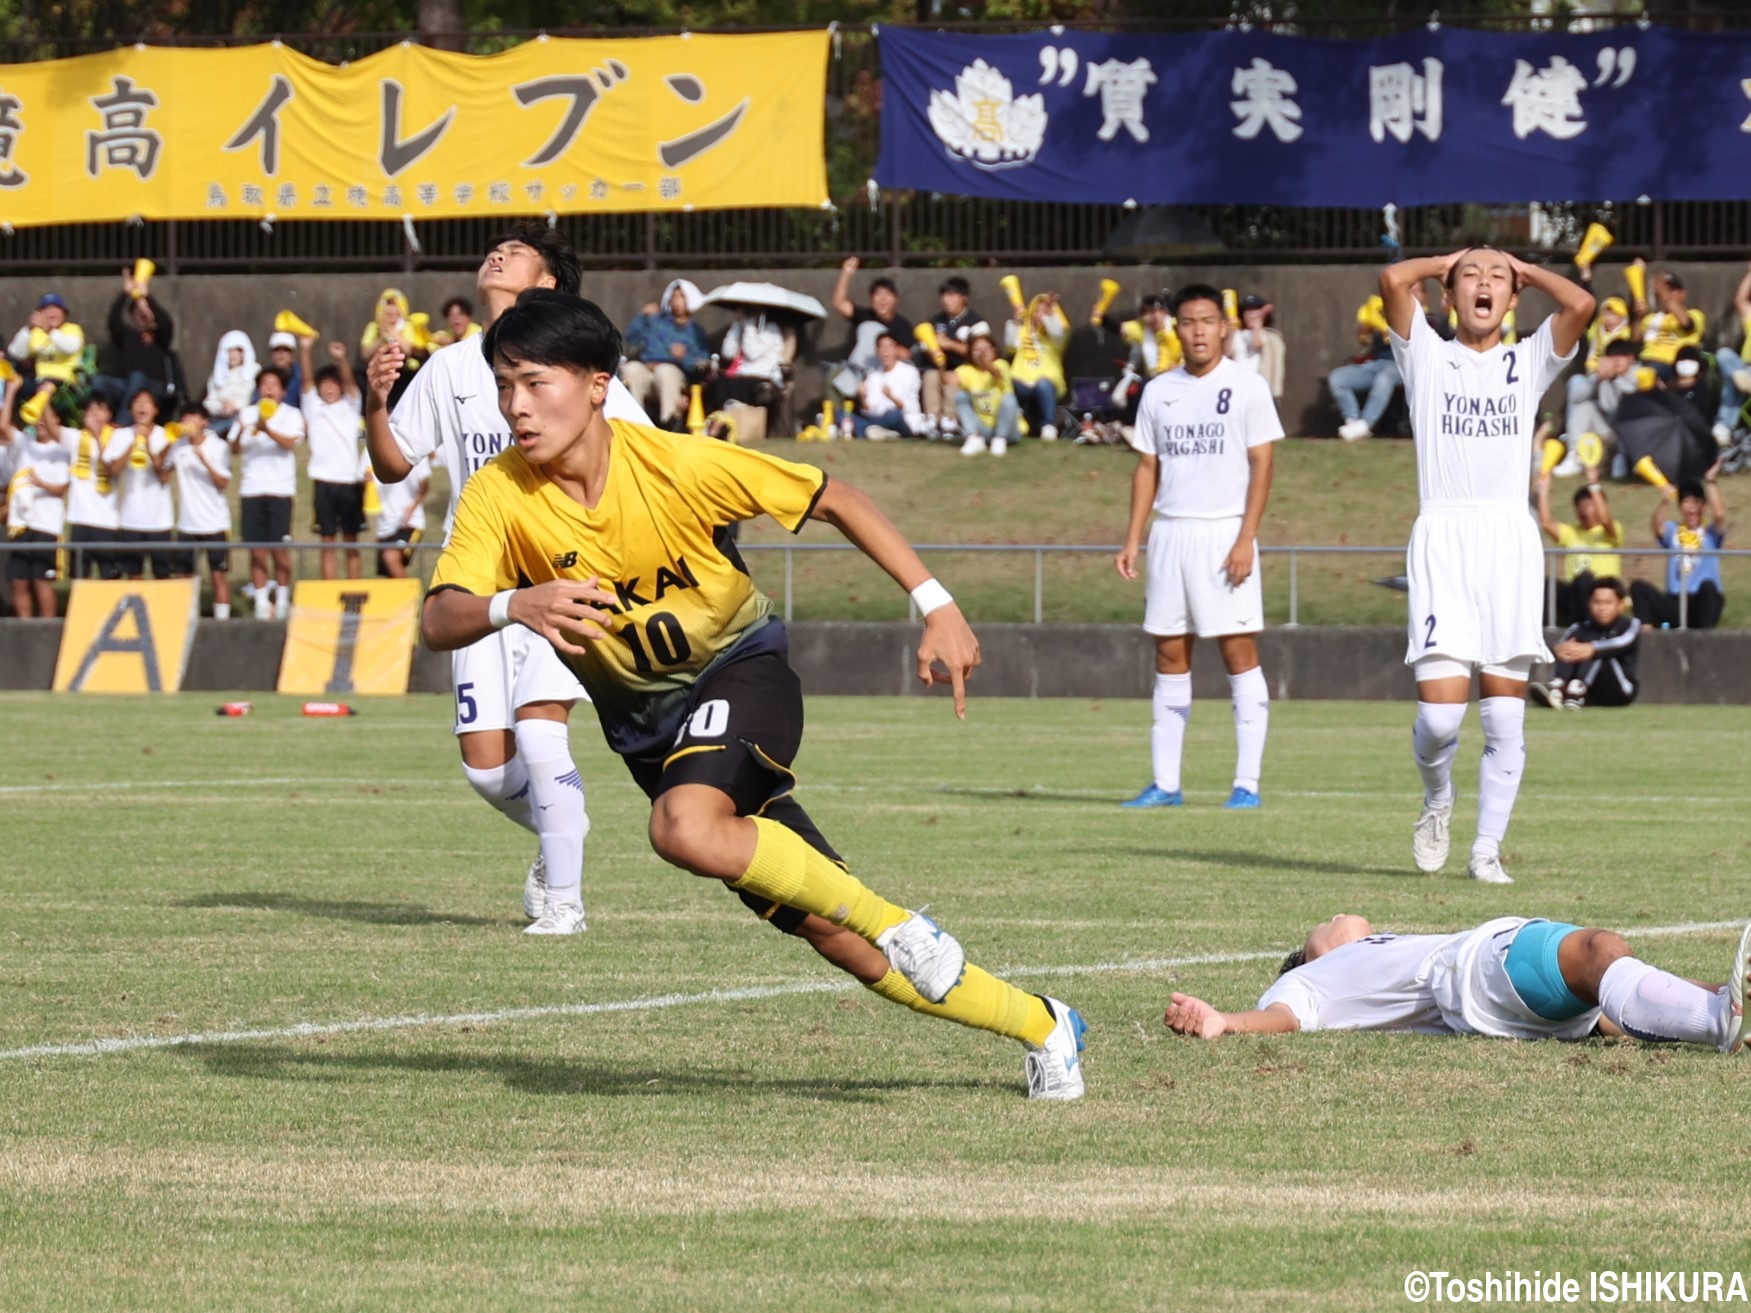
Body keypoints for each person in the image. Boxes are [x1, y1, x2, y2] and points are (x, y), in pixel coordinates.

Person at [422, 289, 1088, 1100]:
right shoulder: (498, 492)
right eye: (503, 386)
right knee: (836, 936)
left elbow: (834, 498)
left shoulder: (677, 463)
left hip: (742, 671)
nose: (516, 406)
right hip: (652, 736)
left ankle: (901, 922)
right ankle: (1043, 1022)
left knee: (682, 827)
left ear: (598, 383)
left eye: (535, 383)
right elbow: (438, 617)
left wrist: (937, 603)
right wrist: (511, 603)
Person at [365, 225, 644, 937]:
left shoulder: (582, 365)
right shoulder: (453, 365)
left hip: (566, 575)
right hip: (477, 585)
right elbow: (394, 464)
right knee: (488, 770)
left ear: (547, 283)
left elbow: (642, 451)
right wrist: (374, 401)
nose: (495, 254)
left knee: (542, 733)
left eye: (517, 251)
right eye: (494, 247)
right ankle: (564, 826)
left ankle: (565, 904)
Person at [1381, 246, 1594, 885]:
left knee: (1504, 713)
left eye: (1496, 277)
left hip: (1508, 541)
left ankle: (1485, 851)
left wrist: (1523, 269)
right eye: (1470, 277)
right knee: (1442, 716)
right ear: (1449, 296)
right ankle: (1437, 798)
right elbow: (1394, 277)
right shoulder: (1424, 353)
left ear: (1513, 297)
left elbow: (1581, 303)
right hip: (1444, 535)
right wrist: (1451, 258)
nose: (1483, 283)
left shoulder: (1526, 360)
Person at [1115, 284, 1282, 811]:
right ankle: (1166, 784)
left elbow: (1263, 464)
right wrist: (1133, 537)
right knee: (1169, 651)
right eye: (1188, 321)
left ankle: (1247, 784)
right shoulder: (1160, 389)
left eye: (1207, 320)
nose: (1198, 331)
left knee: (1238, 651)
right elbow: (1147, 467)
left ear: (1224, 327)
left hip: (1223, 532)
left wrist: (1245, 538)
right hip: (1171, 534)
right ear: (1175, 328)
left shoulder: (1248, 386)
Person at [1163, 913, 1748, 1057]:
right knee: (1602, 949)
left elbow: (1618, 1022)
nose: (1340, 917)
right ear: (1309, 953)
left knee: (1608, 982)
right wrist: (1225, 1021)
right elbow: (1285, 1018)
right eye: (1324, 924)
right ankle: (1721, 1020)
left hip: (1491, 991)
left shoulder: (1371, 947)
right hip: (1477, 974)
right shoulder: (1307, 982)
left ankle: (1729, 1015)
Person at [234, 365, 304, 620]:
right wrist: (243, 428)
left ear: (283, 391)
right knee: (257, 550)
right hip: (251, 490)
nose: (269, 389)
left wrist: (267, 429)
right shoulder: (247, 413)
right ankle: (262, 603)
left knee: (279, 549)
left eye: (274, 385)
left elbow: (291, 442)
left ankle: (283, 601)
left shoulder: (291, 414)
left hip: (280, 491)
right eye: (265, 385)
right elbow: (234, 449)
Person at [299, 336, 366, 581]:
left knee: (351, 539)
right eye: (324, 384)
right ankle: (330, 589)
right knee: (327, 539)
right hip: (323, 480)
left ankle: (353, 588)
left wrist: (341, 359)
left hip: (349, 481)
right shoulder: (314, 408)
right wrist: (305, 350)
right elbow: (306, 381)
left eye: (333, 383)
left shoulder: (351, 405)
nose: (329, 388)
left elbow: (350, 383)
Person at [1630, 480, 1728, 631]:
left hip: (1700, 600)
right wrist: (1665, 500)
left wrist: (1710, 483)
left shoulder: (1710, 534)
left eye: (1697, 502)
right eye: (1686, 502)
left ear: (1704, 506)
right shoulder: (1673, 530)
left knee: (1709, 587)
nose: (1692, 507)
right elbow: (1656, 526)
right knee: (1638, 588)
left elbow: (1720, 515)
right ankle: (1647, 639)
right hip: (1675, 600)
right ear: (1680, 507)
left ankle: (1705, 640)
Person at [1531, 576, 1641, 709]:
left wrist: (1591, 648)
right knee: (1572, 646)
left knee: (1594, 649)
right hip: (1592, 692)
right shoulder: (1580, 627)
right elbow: (1561, 646)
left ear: (1620, 605)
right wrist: (1558, 649)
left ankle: (1576, 688)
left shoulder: (1630, 624)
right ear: (1589, 603)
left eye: (1608, 603)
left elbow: (1623, 642)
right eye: (1597, 602)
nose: (1602, 608)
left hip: (1619, 689)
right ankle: (1558, 687)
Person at [168, 400, 233, 618]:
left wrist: (203, 459)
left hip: (215, 523)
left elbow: (223, 482)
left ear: (204, 421)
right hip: (187, 524)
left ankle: (222, 623)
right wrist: (169, 441)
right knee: (184, 576)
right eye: (185, 418)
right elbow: (160, 466)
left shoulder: (218, 446)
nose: (188, 422)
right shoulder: (178, 446)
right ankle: (188, 619)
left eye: (193, 417)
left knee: (218, 575)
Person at [103, 387, 175, 580]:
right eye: (137, 403)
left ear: (155, 410)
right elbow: (112, 471)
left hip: (160, 520)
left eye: (147, 402)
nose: (142, 406)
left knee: (163, 576)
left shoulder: (166, 435)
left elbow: (164, 476)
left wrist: (149, 445)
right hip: (130, 519)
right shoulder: (120, 435)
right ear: (131, 409)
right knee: (134, 575)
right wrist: (133, 443)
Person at [621, 279, 710, 431]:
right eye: (674, 297)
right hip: (647, 370)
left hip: (673, 374)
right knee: (631, 368)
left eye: (681, 297)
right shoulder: (657, 321)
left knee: (664, 371)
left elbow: (700, 363)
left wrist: (684, 357)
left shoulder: (695, 331)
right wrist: (642, 315)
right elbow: (631, 336)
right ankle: (636, 424)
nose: (676, 301)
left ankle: (669, 422)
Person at [6, 404, 69, 617]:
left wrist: (41, 484)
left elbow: (62, 488)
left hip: (47, 526)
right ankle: (25, 633)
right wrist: (11, 390)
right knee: (19, 581)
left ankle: (47, 630)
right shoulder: (25, 444)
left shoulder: (61, 450)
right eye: (37, 416)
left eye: (46, 416)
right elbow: (3, 426)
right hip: (21, 525)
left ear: (56, 421)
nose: (41, 421)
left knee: (42, 582)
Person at [1534, 474, 1623, 626]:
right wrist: (1543, 490)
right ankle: (1544, 630)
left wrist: (1594, 486)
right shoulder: (1571, 533)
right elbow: (1547, 523)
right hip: (1574, 592)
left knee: (1585, 579)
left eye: (1588, 505)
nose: (1583, 511)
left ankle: (1586, 627)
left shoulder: (1609, 532)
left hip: (1600, 592)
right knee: (1547, 585)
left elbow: (1605, 519)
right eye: (1579, 506)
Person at [103, 265, 180, 406]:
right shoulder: (127, 336)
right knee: (99, 382)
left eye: (146, 309)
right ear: (132, 316)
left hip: (155, 389)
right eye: (138, 310)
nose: (142, 313)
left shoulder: (161, 336)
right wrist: (125, 293)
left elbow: (166, 322)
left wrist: (147, 297)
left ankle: (120, 424)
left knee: (137, 378)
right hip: (127, 386)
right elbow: (113, 320)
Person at [64, 395, 122, 581]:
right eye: (90, 410)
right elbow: (50, 426)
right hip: (79, 519)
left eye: (100, 409)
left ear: (110, 415)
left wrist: (98, 435)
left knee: (110, 578)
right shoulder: (75, 437)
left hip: (107, 521)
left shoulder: (118, 438)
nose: (94, 414)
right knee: (80, 578)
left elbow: (112, 470)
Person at [830, 257, 914, 385]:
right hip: (859, 369)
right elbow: (839, 304)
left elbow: (907, 355)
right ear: (871, 299)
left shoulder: (902, 325)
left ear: (896, 300)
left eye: (887, 295)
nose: (882, 300)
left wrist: (882, 347)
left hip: (885, 373)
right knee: (833, 376)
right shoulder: (865, 315)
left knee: (872, 330)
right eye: (878, 295)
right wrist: (846, 273)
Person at [1329, 292, 1400, 441]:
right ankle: (1352, 422)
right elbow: (1364, 342)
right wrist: (1365, 331)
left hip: (1402, 365)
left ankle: (1366, 424)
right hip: (1377, 363)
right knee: (1338, 378)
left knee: (1384, 378)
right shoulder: (1381, 313)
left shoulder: (1414, 314)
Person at [1563, 338, 1638, 474]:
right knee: (1583, 404)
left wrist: (1615, 379)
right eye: (1612, 356)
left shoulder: (1639, 373)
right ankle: (1574, 455)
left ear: (1631, 358)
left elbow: (1630, 400)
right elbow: (1576, 397)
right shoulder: (1604, 374)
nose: (1616, 361)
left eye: (1621, 356)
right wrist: (1598, 379)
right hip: (1608, 430)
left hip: (1631, 430)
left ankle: (1622, 461)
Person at [10, 293, 86, 428]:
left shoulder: (72, 329)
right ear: (39, 313)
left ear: (64, 313)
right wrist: (28, 328)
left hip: (65, 383)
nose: (52, 312)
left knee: (47, 384)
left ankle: (34, 418)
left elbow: (70, 347)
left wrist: (49, 331)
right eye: (46, 309)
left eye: (57, 308)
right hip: (38, 381)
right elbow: (16, 353)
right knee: (11, 381)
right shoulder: (36, 332)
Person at [918, 276, 980, 437]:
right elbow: (924, 344)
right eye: (944, 296)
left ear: (964, 298)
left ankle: (950, 419)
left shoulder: (976, 322)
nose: (946, 300)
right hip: (940, 367)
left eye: (952, 296)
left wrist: (950, 345)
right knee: (930, 375)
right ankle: (932, 418)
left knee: (953, 377)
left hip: (966, 370)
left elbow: (981, 352)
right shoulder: (936, 321)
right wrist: (932, 349)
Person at [1004, 292, 1069, 440]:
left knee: (1043, 384)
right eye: (1037, 310)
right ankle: (1016, 422)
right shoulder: (1023, 333)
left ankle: (1048, 426)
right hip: (1022, 382)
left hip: (1046, 384)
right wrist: (1016, 323)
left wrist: (1049, 314)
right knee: (1008, 382)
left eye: (1044, 311)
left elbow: (1057, 333)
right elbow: (1009, 346)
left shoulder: (1056, 338)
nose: (1040, 315)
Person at [954, 326, 1020, 457]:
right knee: (960, 396)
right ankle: (974, 438)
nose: (982, 352)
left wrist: (986, 363)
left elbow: (997, 373)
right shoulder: (966, 370)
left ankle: (1000, 440)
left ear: (994, 350)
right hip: (983, 428)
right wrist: (940, 362)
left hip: (1007, 430)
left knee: (1009, 399)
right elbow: (947, 379)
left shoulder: (1002, 364)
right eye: (976, 350)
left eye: (985, 348)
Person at [1630, 261, 1705, 376]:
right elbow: (1635, 340)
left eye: (1670, 290)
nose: (1664, 293)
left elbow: (1686, 324)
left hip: (1671, 364)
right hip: (1645, 361)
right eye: (1662, 290)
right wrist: (1638, 316)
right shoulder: (1651, 318)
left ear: (1682, 294)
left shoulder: (1695, 314)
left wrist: (1665, 296)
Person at [851, 332, 922, 440]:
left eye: (889, 346)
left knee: (893, 415)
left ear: (896, 349)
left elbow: (906, 408)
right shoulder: (873, 376)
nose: (885, 351)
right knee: (839, 414)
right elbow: (870, 409)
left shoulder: (910, 372)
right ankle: (882, 432)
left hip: (903, 420)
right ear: (877, 351)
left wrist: (891, 396)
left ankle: (867, 429)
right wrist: (862, 397)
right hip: (878, 419)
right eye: (881, 347)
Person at [368, 451, 428, 578]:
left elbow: (425, 486)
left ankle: (413, 597)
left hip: (409, 522)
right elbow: (364, 476)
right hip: (385, 524)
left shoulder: (414, 448)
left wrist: (412, 508)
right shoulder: (373, 446)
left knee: (391, 557)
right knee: (388, 576)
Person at [1712, 262, 1751, 447]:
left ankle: (1723, 425)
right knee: (1724, 353)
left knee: (1731, 382)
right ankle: (1741, 379)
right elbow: (1740, 300)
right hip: (1744, 367)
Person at [1224, 293, 1285, 399]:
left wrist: (1257, 324)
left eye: (1255, 311)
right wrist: (1231, 330)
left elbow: (1258, 344)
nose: (1251, 315)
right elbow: (1227, 353)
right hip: (1237, 386)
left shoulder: (1268, 335)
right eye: (1248, 311)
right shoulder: (1237, 334)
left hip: (1258, 388)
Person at [204, 330, 258, 438]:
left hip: (243, 416)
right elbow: (209, 401)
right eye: (229, 351)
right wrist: (221, 407)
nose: (233, 355)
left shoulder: (255, 371)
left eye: (237, 351)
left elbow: (254, 397)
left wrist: (236, 406)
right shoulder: (216, 375)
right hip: (219, 417)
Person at [262, 331, 303, 408]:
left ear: (292, 354)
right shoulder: (264, 376)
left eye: (286, 350)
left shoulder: (301, 377)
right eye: (276, 350)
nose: (281, 353)